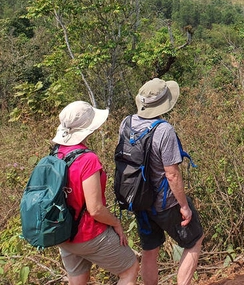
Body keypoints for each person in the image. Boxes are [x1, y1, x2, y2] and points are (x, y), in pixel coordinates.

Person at [121, 78, 203, 285]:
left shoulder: (126, 123)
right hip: (165, 204)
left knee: (150, 250)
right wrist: (184, 206)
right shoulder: (164, 130)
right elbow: (172, 174)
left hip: (139, 201)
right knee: (194, 240)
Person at [52, 101, 139, 285]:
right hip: (88, 234)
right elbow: (96, 209)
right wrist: (116, 223)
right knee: (130, 269)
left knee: (77, 280)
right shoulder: (87, 160)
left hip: (63, 234)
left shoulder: (55, 153)